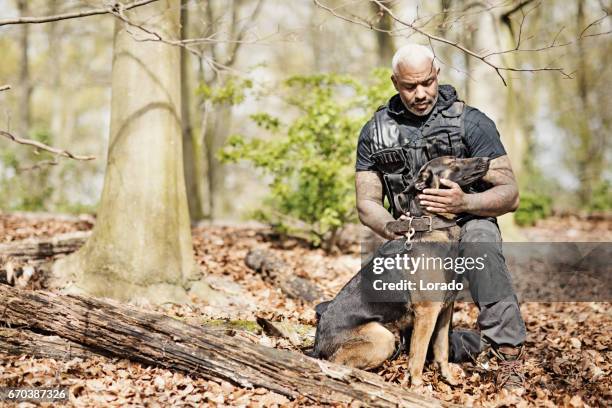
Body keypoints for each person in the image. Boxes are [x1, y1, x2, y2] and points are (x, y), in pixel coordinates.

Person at [354, 44, 526, 390]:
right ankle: (399, 344)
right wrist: (396, 228)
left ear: (438, 75)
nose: (420, 94)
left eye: (427, 83)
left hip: (468, 220)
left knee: (481, 245)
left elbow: (510, 192)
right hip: (412, 234)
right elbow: (366, 203)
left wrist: (464, 202)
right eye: (409, 86)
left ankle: (508, 355)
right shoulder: (375, 131)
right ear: (394, 82)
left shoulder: (471, 122)